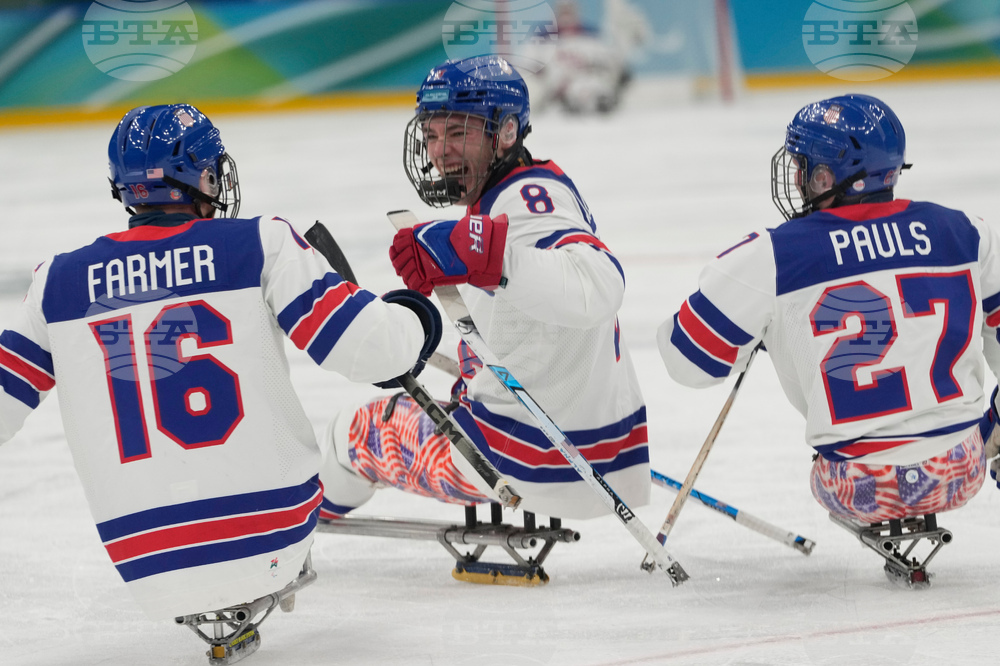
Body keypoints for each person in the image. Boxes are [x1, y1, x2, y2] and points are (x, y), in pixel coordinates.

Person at [0, 104, 440, 647]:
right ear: (202, 178)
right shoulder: (258, 243)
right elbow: (375, 353)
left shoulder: (55, 284)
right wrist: (418, 318)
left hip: (143, 563)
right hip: (273, 538)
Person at [319, 55, 649, 524]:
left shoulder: (531, 203)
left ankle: (298, 529)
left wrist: (483, 256)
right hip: (603, 458)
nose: (439, 150)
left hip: (521, 464)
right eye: (432, 134)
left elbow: (598, 287)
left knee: (350, 433)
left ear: (506, 133)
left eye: (458, 133)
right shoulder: (526, 188)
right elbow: (517, 311)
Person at [658, 94, 997, 535]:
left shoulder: (776, 253)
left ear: (824, 177)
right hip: (960, 471)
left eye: (803, 167)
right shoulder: (966, 230)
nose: (797, 178)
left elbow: (686, 363)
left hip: (857, 486)